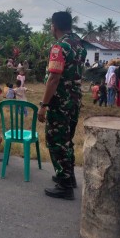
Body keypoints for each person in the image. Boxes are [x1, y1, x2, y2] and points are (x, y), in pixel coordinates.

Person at [38, 11, 87, 200]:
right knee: (67, 139)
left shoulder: (59, 47)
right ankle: (69, 176)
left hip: (60, 102)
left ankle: (64, 185)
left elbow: (54, 78)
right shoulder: (78, 43)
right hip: (74, 101)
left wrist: (44, 105)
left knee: (56, 140)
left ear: (54, 26)